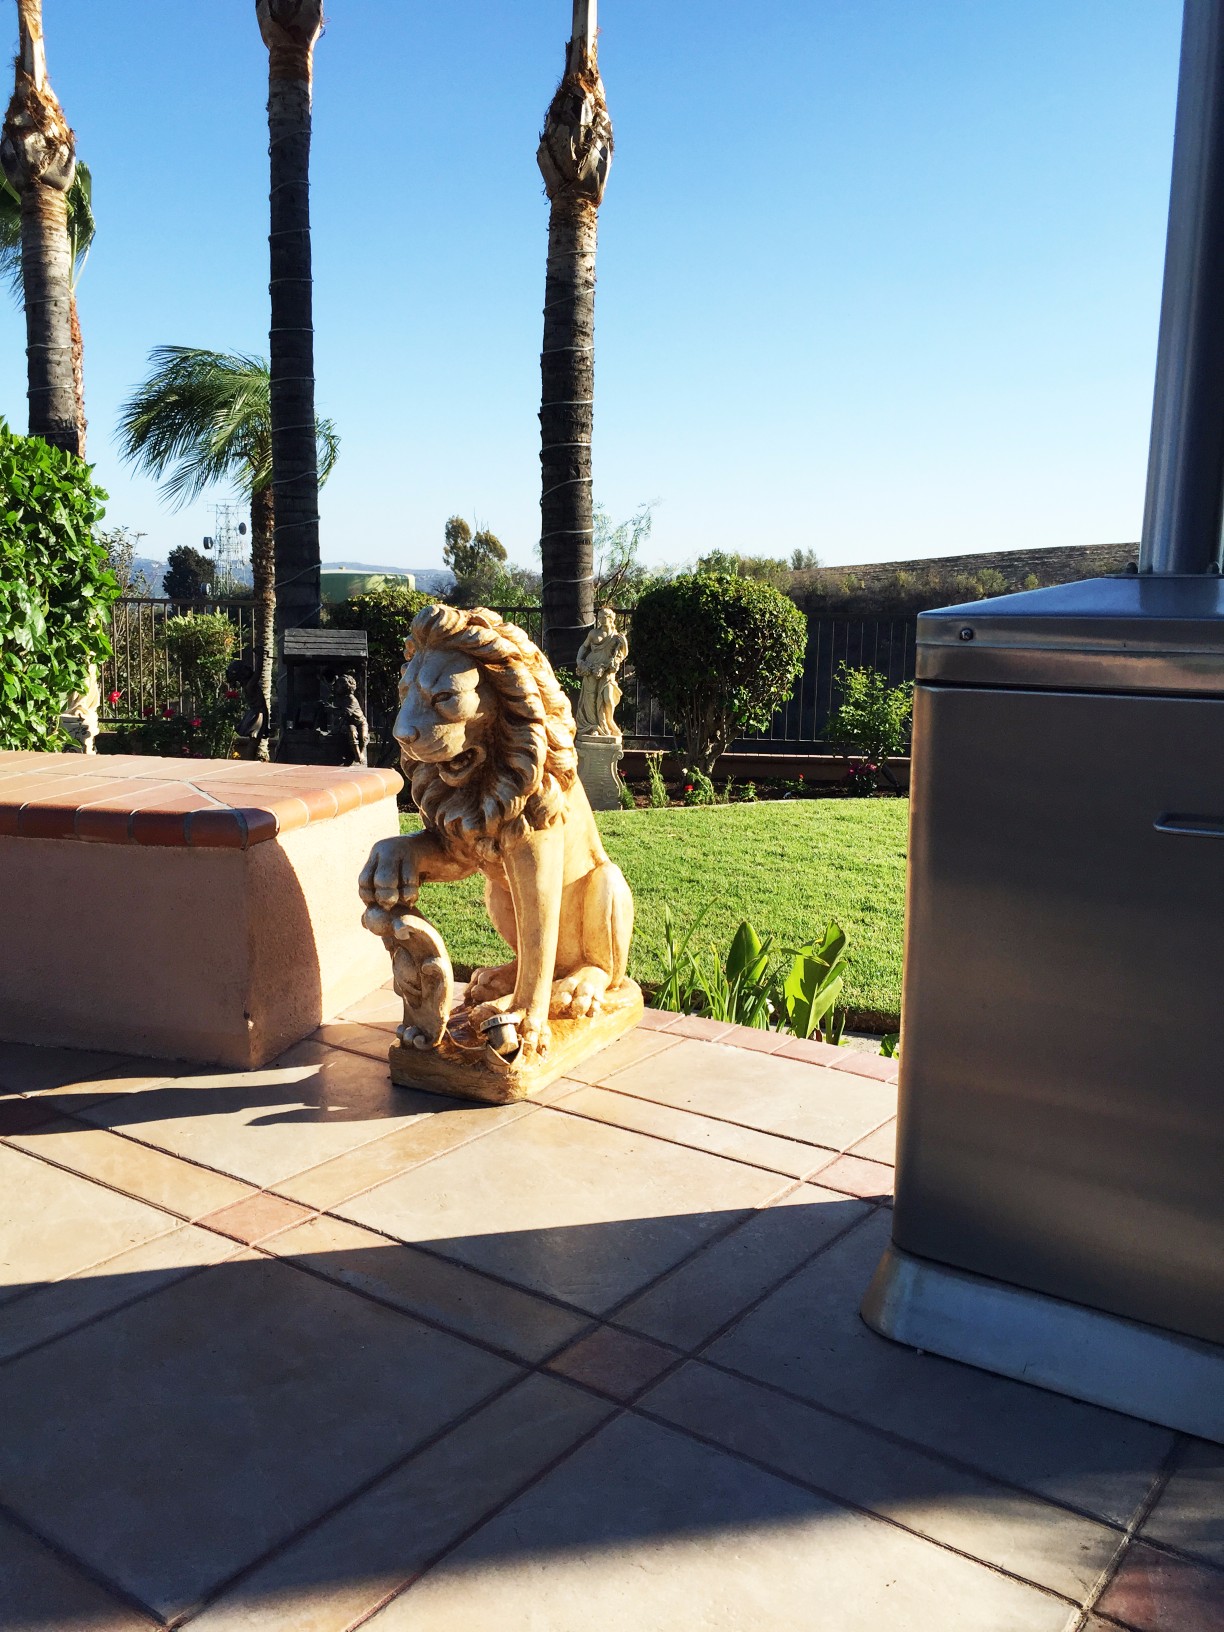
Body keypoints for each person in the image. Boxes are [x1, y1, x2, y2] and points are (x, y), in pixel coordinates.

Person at [574, 608, 628, 738]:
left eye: (604, 617)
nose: (601, 620)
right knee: (590, 697)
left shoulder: (616, 636)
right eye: (600, 617)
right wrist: (579, 660)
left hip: (607, 670)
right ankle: (593, 727)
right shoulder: (593, 633)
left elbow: (622, 654)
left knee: (608, 698)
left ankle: (608, 723)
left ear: (611, 618)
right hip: (591, 668)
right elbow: (584, 647)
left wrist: (624, 644)